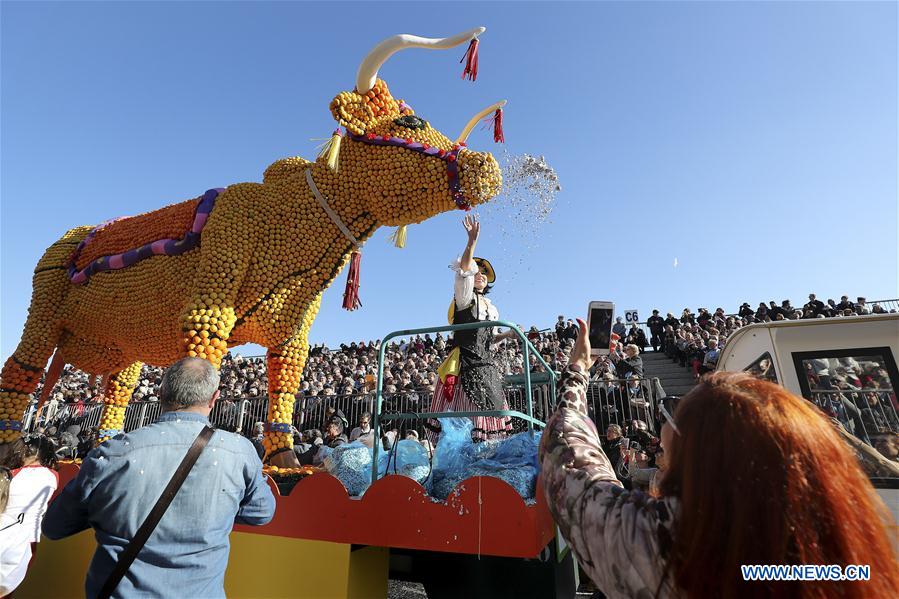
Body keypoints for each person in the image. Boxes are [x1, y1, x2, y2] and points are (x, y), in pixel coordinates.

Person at [540, 319, 899, 598]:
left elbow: (569, 456)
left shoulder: (674, 546)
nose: (663, 458)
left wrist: (578, 371)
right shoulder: (841, 556)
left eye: (670, 448)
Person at [43, 357, 275, 598]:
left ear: (161, 392)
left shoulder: (113, 454)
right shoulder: (240, 452)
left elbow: (55, 526)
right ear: (215, 398)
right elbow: (261, 513)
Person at [427, 214, 517, 443]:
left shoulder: (492, 308)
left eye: (484, 275)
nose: (480, 276)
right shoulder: (464, 296)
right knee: (466, 418)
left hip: (486, 365)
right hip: (463, 364)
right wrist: (471, 241)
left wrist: (507, 334)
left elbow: (490, 338)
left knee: (493, 409)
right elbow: (465, 270)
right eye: (477, 272)